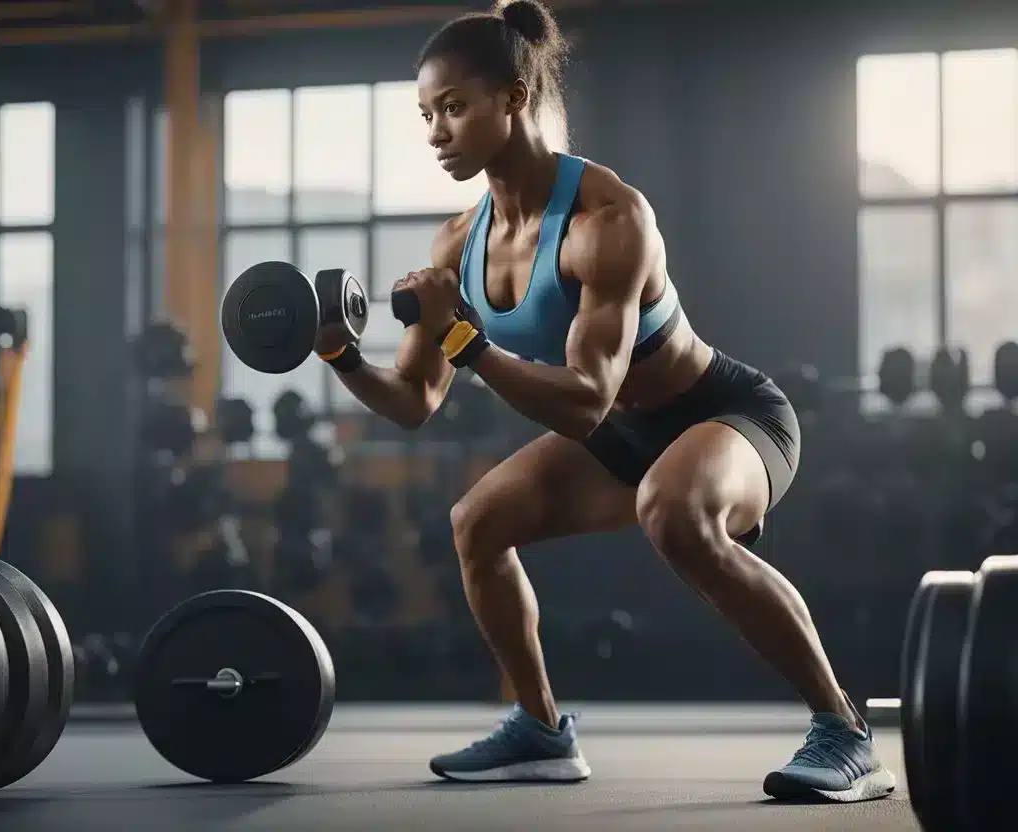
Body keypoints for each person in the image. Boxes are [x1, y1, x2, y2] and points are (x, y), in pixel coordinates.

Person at [313, 0, 895, 803]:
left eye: (454, 107)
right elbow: (414, 402)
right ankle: (541, 730)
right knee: (476, 524)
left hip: (724, 416)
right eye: (426, 114)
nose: (436, 132)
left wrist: (464, 339)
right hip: (624, 432)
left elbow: (587, 401)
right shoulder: (459, 240)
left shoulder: (608, 219)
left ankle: (847, 734)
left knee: (674, 512)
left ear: (515, 98)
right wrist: (339, 353)